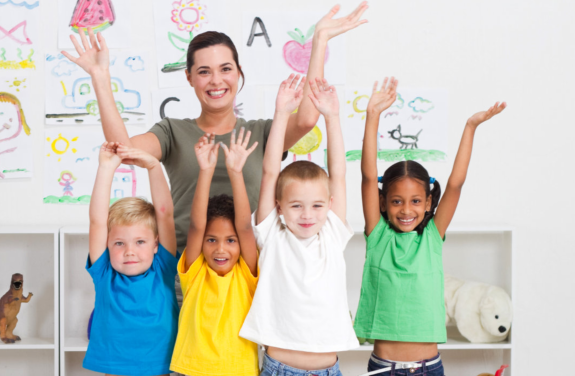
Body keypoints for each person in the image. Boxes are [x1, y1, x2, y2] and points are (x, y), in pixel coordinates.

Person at [61, 2, 368, 252]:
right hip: (186, 266)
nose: (216, 80)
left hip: (249, 268)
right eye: (204, 71)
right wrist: (100, 78)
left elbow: (305, 119)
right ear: (189, 78)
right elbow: (122, 150)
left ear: (238, 73)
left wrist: (319, 41)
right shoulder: (172, 132)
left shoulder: (262, 133)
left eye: (225, 69)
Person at [353, 76, 507, 376]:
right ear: (383, 202)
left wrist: (471, 126)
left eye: (415, 201)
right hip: (385, 375)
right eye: (396, 201)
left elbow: (456, 182)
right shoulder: (377, 235)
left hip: (429, 375)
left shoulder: (433, 236)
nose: (406, 209)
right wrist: (372, 116)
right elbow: (367, 176)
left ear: (427, 205)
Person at [239, 74, 359, 376]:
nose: (307, 215)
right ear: (278, 206)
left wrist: (333, 117)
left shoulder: (333, 234)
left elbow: (338, 173)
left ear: (330, 204)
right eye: (296, 206)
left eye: (317, 206)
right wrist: (281, 114)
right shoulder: (272, 234)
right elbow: (268, 171)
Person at [85, 141, 180, 376]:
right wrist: (106, 169)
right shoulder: (104, 275)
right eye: (119, 243)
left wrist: (153, 165)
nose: (129, 251)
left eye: (140, 242)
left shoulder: (163, 269)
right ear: (107, 245)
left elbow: (165, 214)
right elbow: (97, 221)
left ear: (155, 245)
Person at [170, 128, 260, 376]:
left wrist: (235, 171)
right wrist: (205, 170)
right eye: (212, 240)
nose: (221, 248)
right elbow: (195, 226)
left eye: (230, 240)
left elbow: (246, 227)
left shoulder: (246, 275)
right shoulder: (195, 272)